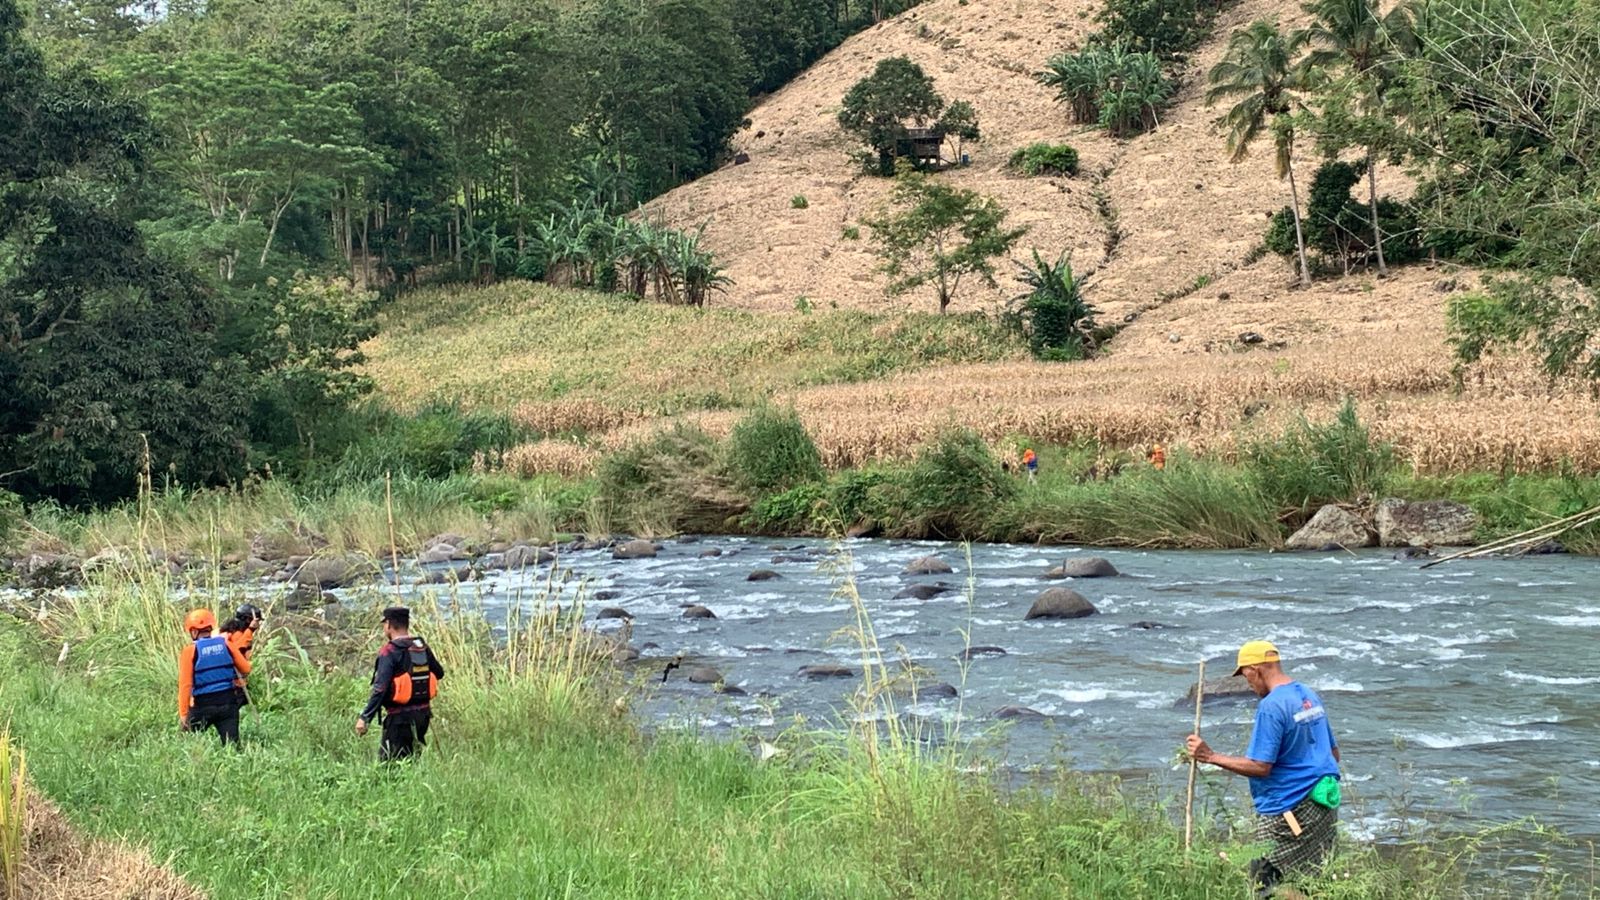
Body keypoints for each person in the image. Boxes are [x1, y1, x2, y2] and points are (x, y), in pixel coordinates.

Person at [1186, 641, 1341, 898]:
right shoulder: (1307, 695)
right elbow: (1333, 753)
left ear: (1256, 669)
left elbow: (1261, 766)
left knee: (1263, 884)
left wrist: (1210, 756)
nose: (1245, 681)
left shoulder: (1271, 706)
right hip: (1323, 804)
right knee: (1312, 881)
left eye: (1244, 673)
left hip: (1289, 808)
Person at [356, 606, 445, 762]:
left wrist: (365, 718)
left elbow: (380, 689)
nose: (384, 628)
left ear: (389, 625)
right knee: (412, 761)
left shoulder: (389, 652)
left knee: (388, 767)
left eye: (384, 624)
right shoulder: (420, 646)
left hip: (398, 719)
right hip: (423, 716)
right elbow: (439, 673)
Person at [178, 608, 252, 746]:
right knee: (232, 746)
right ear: (211, 627)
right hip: (228, 704)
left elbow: (185, 685)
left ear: (193, 632)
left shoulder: (190, 651)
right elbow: (246, 669)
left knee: (187, 744)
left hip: (202, 706)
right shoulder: (226, 644)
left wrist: (183, 714)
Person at [219, 603, 264, 708]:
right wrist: (251, 630)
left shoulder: (232, 631)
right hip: (235, 682)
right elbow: (236, 650)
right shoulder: (237, 634)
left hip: (235, 680)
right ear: (248, 620)